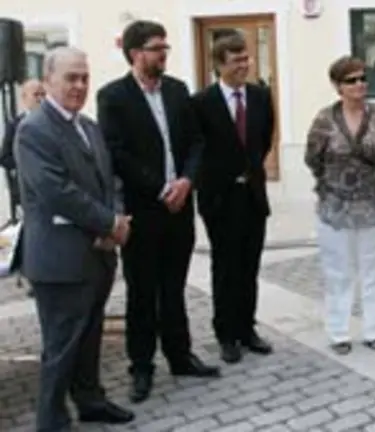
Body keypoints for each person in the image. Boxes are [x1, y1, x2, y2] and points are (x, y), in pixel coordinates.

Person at [97, 20, 219, 404]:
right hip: (143, 211)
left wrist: (186, 181)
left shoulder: (178, 91)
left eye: (165, 47)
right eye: (156, 48)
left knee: (174, 288)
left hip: (180, 208)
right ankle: (142, 367)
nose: (164, 53)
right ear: (136, 54)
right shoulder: (113, 96)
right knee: (142, 292)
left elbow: (197, 142)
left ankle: (180, 356)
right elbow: (117, 153)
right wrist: (160, 186)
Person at [15, 47, 134, 432]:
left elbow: (108, 180)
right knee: (61, 348)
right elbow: (57, 191)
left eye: (84, 77)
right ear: (48, 80)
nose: (80, 85)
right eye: (71, 77)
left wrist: (114, 218)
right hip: (61, 260)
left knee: (90, 336)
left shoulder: (89, 126)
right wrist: (109, 223)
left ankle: (91, 400)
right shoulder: (34, 129)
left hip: (96, 255)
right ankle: (51, 421)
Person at [305, 55, 375, 355]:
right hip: (335, 206)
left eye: (362, 78)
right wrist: (336, 183)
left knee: (373, 270)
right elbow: (312, 158)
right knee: (338, 271)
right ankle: (339, 331)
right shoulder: (324, 119)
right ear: (337, 86)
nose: (359, 84)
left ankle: (373, 330)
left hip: (374, 203)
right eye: (351, 80)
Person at [192, 32, 275, 364]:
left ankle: (247, 328)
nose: (245, 65)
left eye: (247, 59)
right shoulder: (201, 103)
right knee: (225, 268)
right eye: (237, 60)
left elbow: (264, 139)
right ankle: (226, 334)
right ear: (219, 64)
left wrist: (249, 170)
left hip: (253, 195)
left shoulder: (259, 96)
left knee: (249, 265)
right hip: (220, 199)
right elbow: (197, 149)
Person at [1, 79, 45, 220]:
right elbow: (4, 156)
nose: (40, 99)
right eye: (36, 95)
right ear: (25, 98)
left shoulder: (53, 125)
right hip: (24, 190)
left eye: (43, 94)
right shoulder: (15, 125)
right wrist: (25, 164)